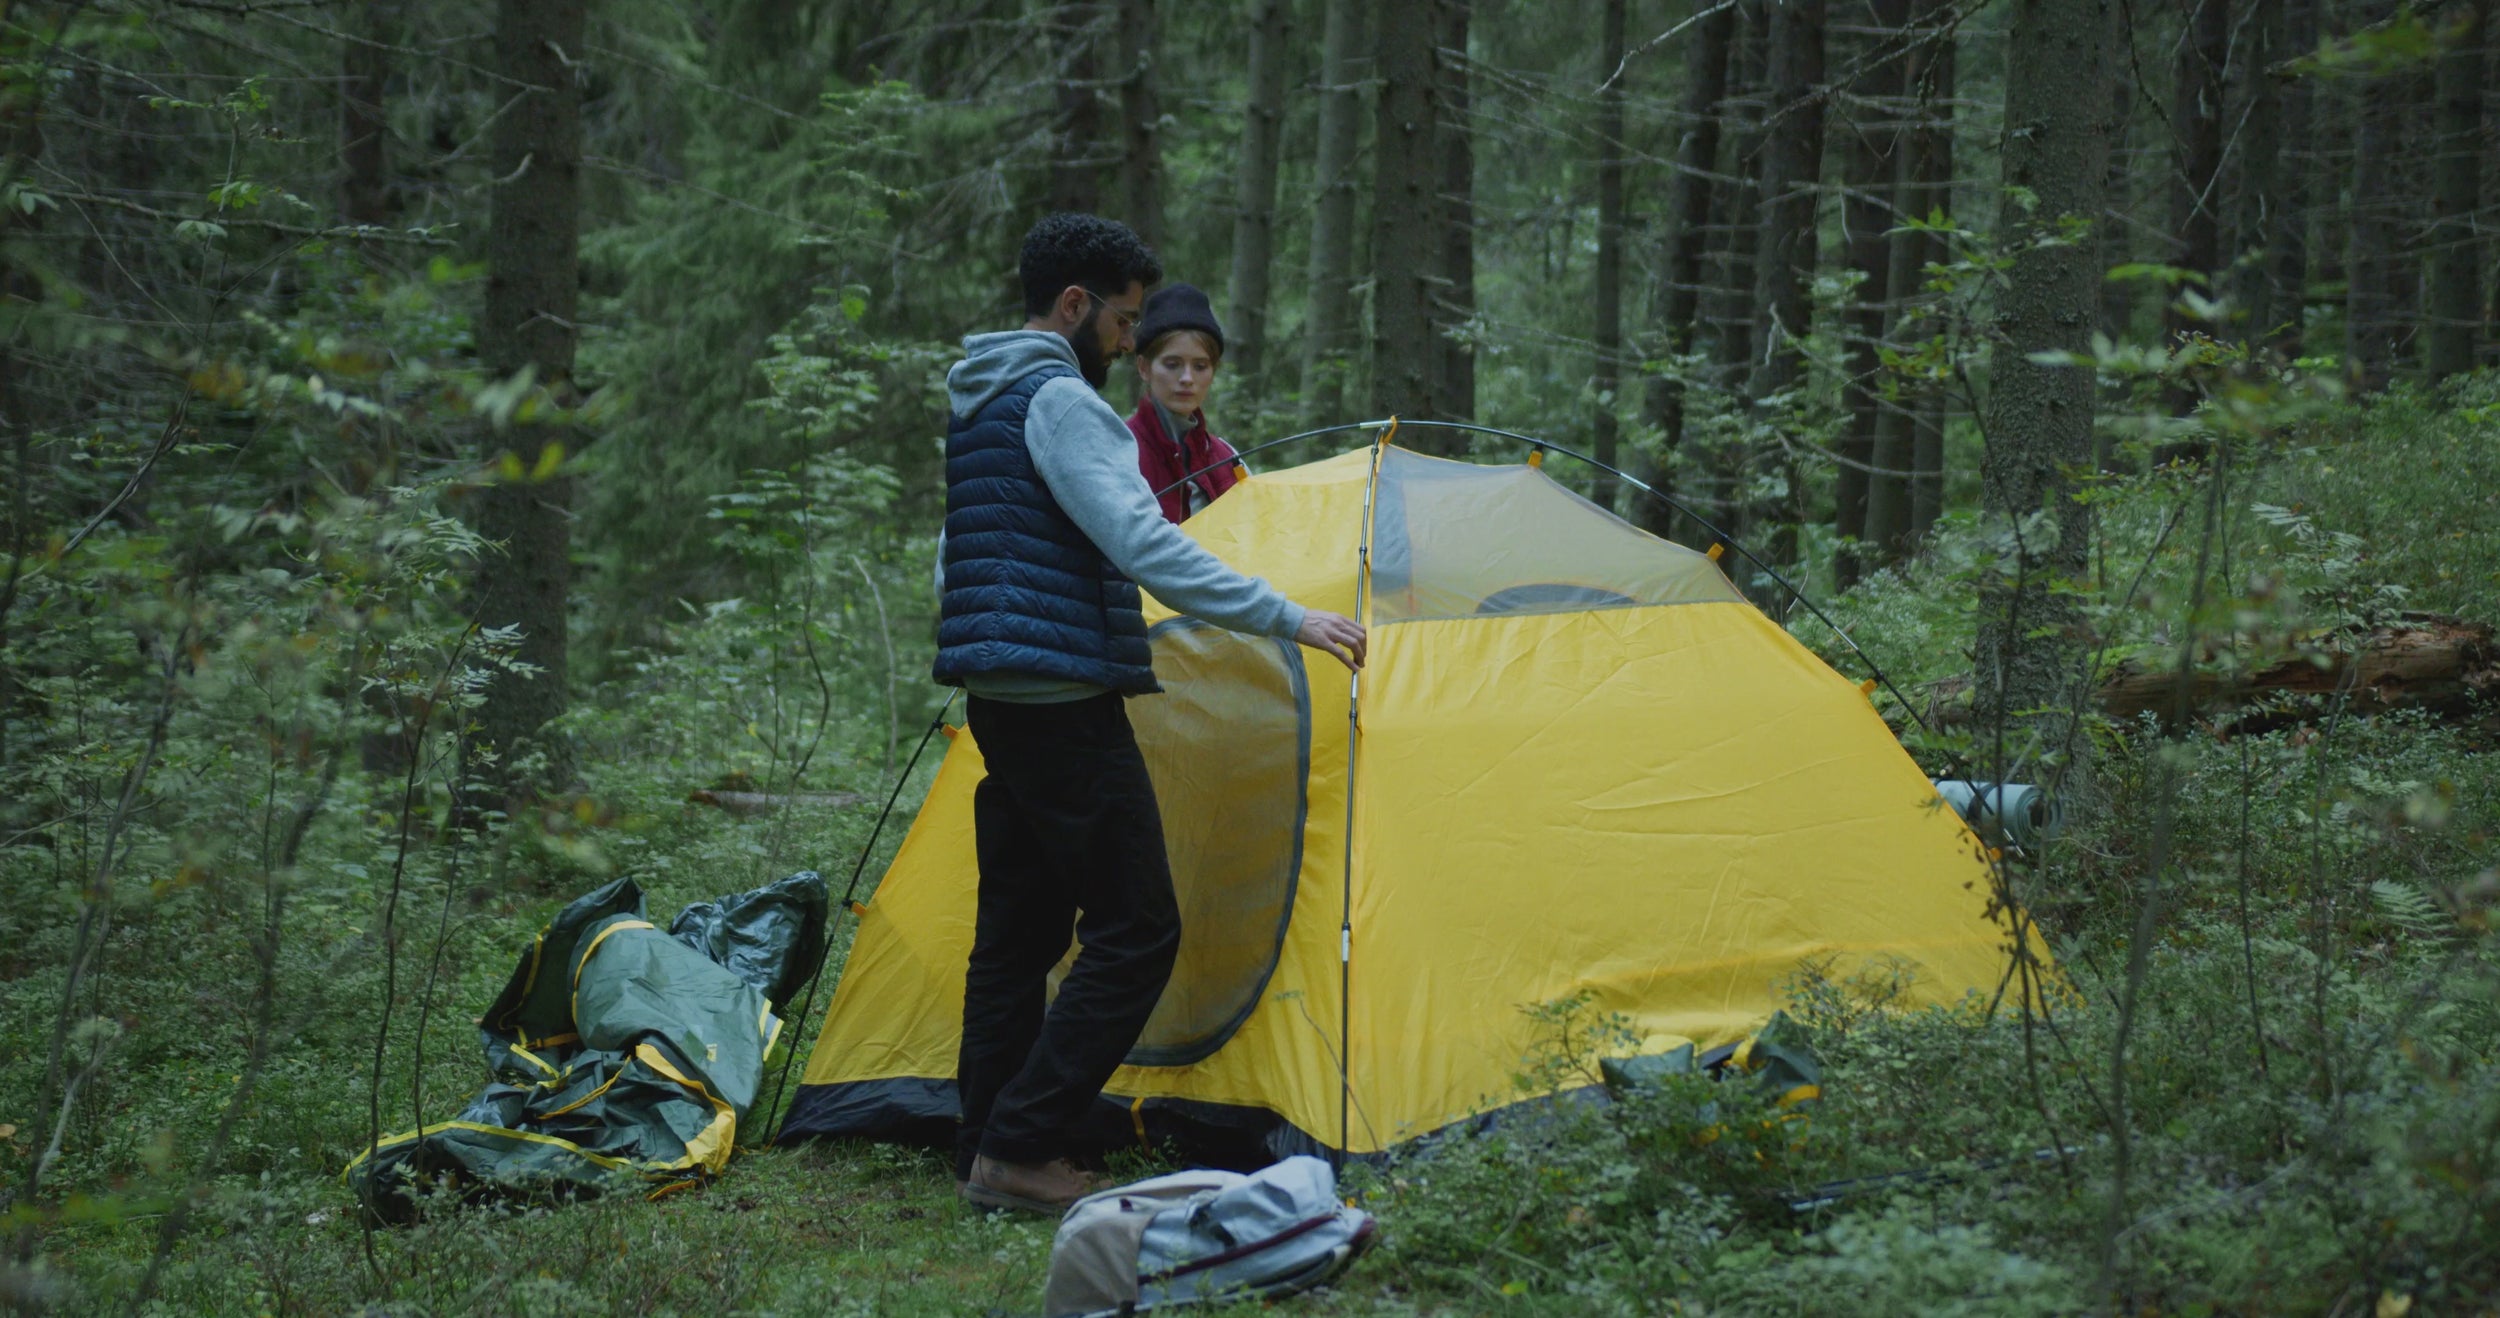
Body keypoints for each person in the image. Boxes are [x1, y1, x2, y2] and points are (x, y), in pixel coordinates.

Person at [935, 213, 1367, 1216]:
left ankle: (979, 1141)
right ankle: (1018, 1146)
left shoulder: (980, 394)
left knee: (1017, 934)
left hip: (1000, 693)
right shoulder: (1061, 401)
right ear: (1074, 305)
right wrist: (1288, 616)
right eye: (1125, 320)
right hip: (1063, 698)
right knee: (1138, 930)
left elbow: (959, 556)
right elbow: (1144, 544)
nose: (1130, 339)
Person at [1125, 283, 1242, 524]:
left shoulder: (1227, 457)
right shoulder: (1120, 450)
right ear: (1144, 368)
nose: (1187, 378)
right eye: (1172, 364)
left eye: (1200, 366)